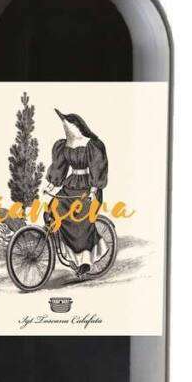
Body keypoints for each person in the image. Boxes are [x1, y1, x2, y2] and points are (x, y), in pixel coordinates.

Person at [45, 109, 108, 277]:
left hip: (88, 187)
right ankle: (68, 254)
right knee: (53, 208)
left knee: (81, 221)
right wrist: (51, 186)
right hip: (71, 184)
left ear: (77, 126)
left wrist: (93, 190)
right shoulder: (64, 145)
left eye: (68, 124)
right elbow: (60, 168)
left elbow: (97, 168)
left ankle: (85, 261)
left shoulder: (92, 145)